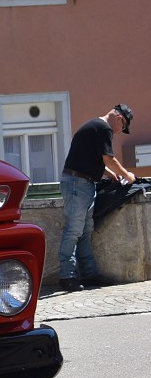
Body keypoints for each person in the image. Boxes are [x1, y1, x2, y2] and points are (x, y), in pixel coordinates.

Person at [57, 104, 136, 291]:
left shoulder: (95, 125)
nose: (120, 131)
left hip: (82, 182)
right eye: (123, 127)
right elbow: (109, 158)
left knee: (85, 230)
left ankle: (89, 273)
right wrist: (127, 175)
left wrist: (107, 173)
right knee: (75, 230)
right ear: (119, 118)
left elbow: (96, 157)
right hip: (78, 183)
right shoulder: (104, 128)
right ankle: (67, 275)